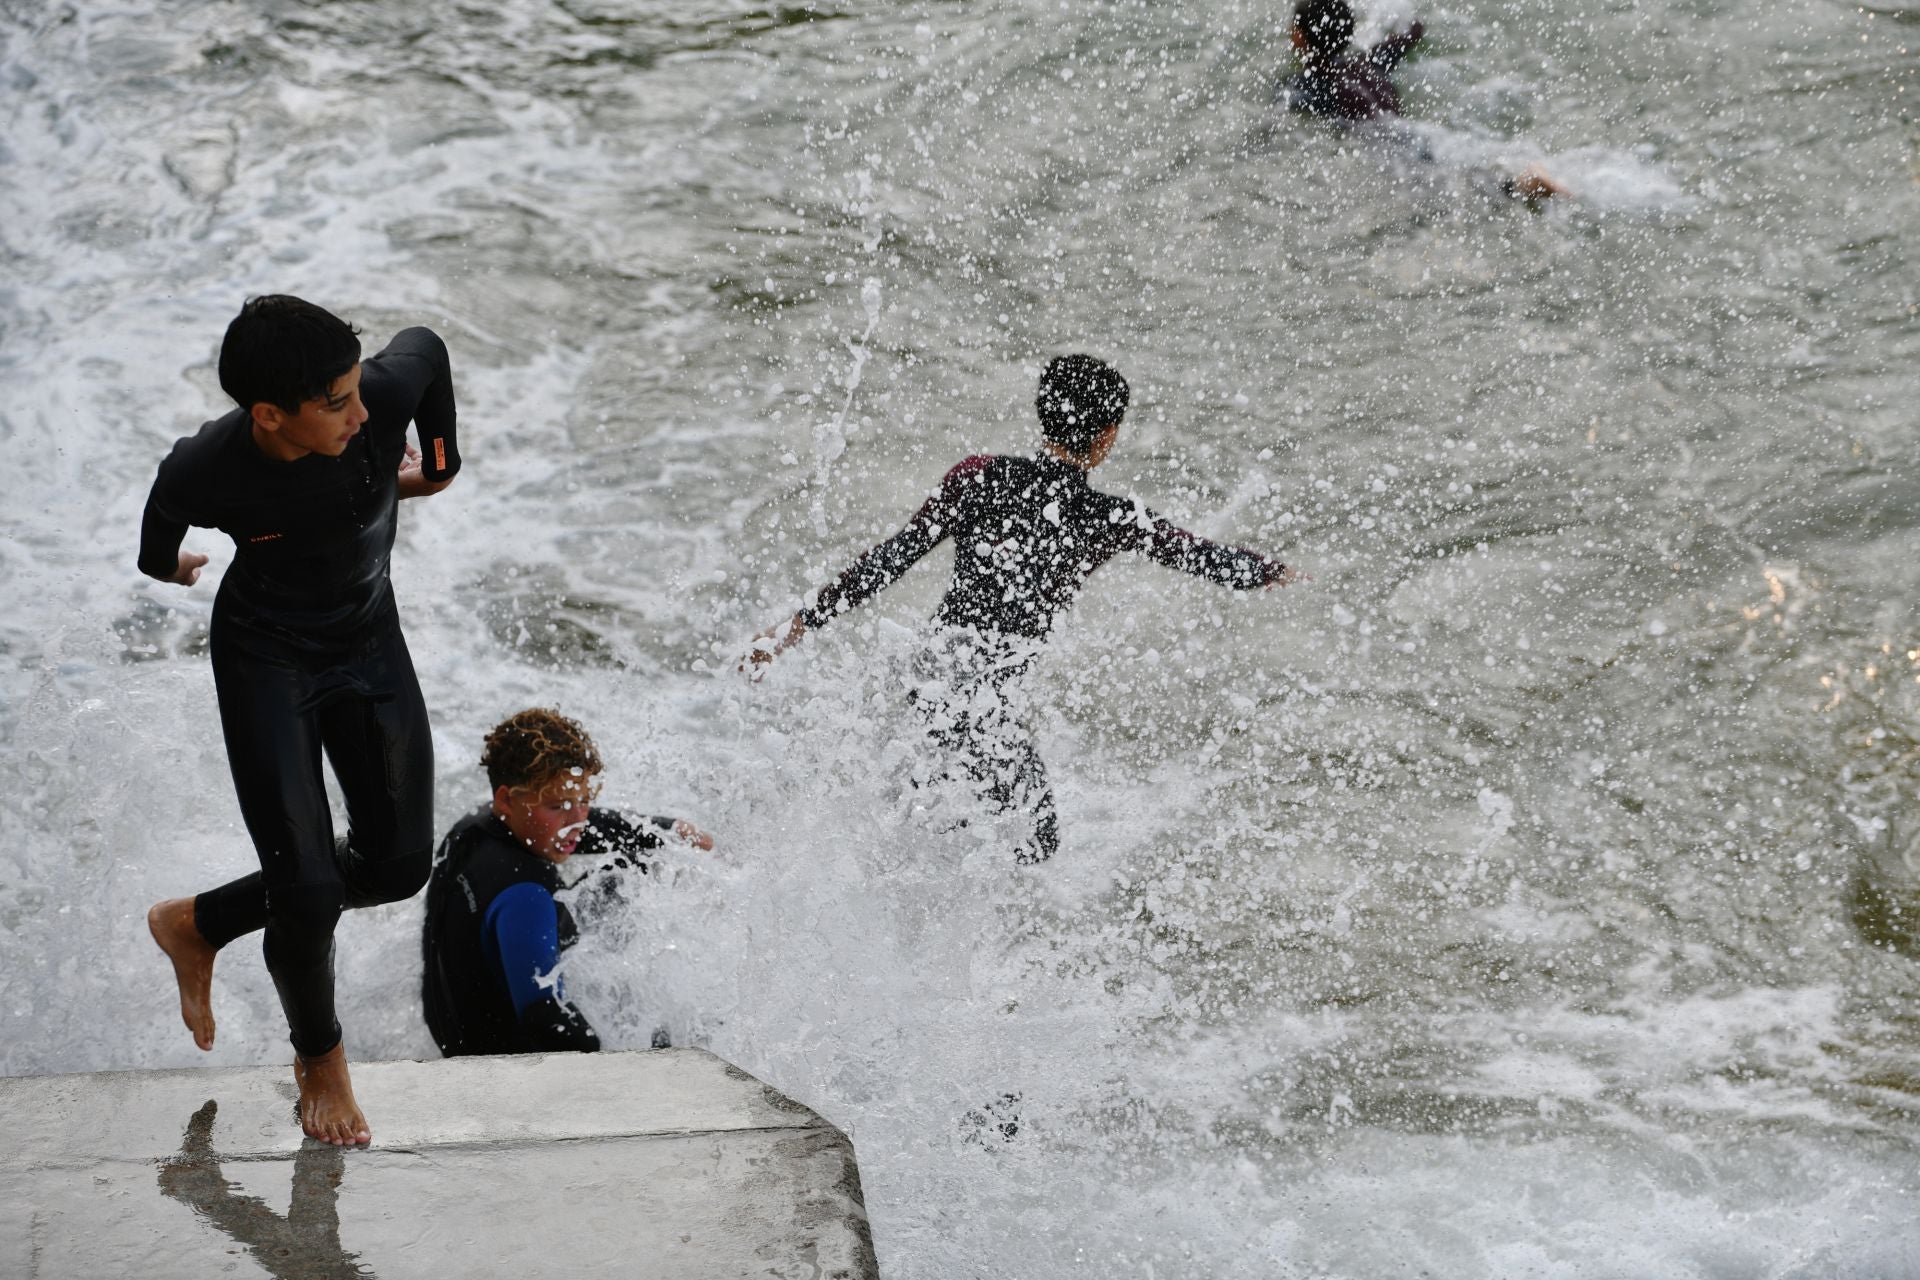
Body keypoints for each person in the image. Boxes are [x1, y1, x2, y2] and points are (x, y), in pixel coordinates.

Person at [747, 354, 1305, 863]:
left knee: (927, 820)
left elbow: (891, 559)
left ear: (1045, 415)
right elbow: (1200, 556)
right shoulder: (1108, 517)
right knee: (1034, 839)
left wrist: (796, 626)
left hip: (933, 679)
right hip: (984, 703)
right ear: (1108, 435)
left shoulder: (977, 477)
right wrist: (1271, 572)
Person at [140, 295, 461, 1146]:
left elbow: (425, 350)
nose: (363, 416)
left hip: (367, 640)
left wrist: (440, 462)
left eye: (360, 393)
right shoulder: (206, 467)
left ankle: (195, 923)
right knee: (309, 888)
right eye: (337, 405)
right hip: (266, 658)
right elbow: (155, 543)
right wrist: (177, 571)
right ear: (269, 415)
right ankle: (320, 1060)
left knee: (396, 866)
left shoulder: (379, 400)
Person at [421, 708, 714, 1058]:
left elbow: (584, 826)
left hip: (453, 1029)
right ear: (506, 799)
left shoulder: (472, 830)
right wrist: (615, 1060)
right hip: (504, 1069)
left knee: (629, 864)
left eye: (585, 801)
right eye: (559, 805)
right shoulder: (527, 892)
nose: (576, 821)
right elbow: (545, 1018)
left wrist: (671, 830)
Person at [1283, 0, 1567, 202]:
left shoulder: (1306, 83)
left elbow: (1286, 117)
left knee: (1441, 184)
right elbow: (1411, 33)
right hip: (1408, 129)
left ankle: (1520, 185)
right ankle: (1522, 179)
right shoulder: (1369, 62)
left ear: (1299, 35)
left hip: (1382, 139)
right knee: (1447, 165)